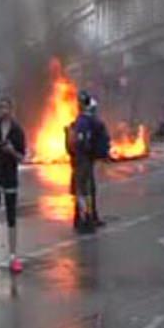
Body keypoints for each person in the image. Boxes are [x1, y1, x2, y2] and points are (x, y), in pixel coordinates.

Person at [0, 98, 26, 277]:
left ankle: (13, 257)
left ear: (11, 109)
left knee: (11, 218)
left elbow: (22, 157)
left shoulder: (18, 131)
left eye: (6, 107)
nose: (3, 111)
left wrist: (11, 151)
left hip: (10, 178)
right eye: (1, 107)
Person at [66, 91, 111, 233]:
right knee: (84, 191)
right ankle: (85, 219)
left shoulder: (82, 121)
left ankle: (84, 218)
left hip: (82, 159)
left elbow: (80, 141)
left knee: (84, 190)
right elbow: (82, 140)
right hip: (84, 160)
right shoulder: (87, 121)